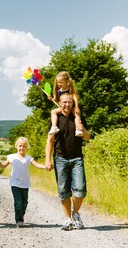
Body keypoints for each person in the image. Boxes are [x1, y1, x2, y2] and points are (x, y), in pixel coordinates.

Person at [45, 92, 90, 231]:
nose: (67, 104)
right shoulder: (56, 118)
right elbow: (50, 140)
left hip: (77, 158)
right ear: (60, 102)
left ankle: (75, 214)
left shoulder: (77, 116)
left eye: (69, 102)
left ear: (72, 103)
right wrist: (47, 159)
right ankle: (68, 220)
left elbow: (87, 137)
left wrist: (82, 128)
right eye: (64, 102)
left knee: (80, 190)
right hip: (60, 159)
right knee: (64, 191)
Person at [0, 137, 48, 228]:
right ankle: (19, 220)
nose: (22, 148)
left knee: (25, 202)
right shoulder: (11, 157)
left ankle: (21, 215)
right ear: (16, 146)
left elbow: (37, 165)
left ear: (27, 147)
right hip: (15, 183)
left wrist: (45, 167)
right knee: (18, 202)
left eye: (24, 146)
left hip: (25, 184)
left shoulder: (28, 158)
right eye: (20, 146)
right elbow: (3, 165)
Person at [48, 71, 83, 137]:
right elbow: (56, 100)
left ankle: (78, 129)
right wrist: (51, 98)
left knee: (77, 114)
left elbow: (75, 98)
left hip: (71, 107)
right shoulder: (59, 91)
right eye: (58, 82)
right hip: (63, 108)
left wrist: (76, 107)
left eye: (61, 82)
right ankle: (54, 127)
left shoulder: (69, 89)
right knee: (53, 112)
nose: (59, 84)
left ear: (67, 81)